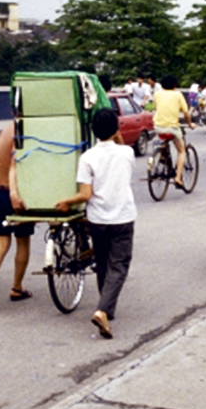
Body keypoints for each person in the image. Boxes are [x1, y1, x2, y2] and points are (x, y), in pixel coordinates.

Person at [55, 108, 137, 339]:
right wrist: (116, 134)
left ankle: (106, 307)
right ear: (116, 129)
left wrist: (67, 201)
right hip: (122, 217)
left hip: (98, 219)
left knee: (102, 263)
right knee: (119, 265)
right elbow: (120, 147)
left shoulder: (87, 157)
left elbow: (85, 194)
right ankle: (102, 310)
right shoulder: (127, 153)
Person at [0, 119, 35, 310]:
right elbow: (15, 162)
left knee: (1, 243)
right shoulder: (25, 130)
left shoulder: (5, 131)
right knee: (23, 241)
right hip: (14, 194)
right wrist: (15, 193)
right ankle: (17, 288)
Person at [152, 75, 195, 188]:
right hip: (172, 127)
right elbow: (186, 113)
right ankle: (178, 177)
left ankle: (163, 155)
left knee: (164, 137)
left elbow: (155, 108)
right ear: (175, 85)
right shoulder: (178, 94)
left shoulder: (157, 94)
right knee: (181, 151)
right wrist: (190, 124)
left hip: (158, 126)